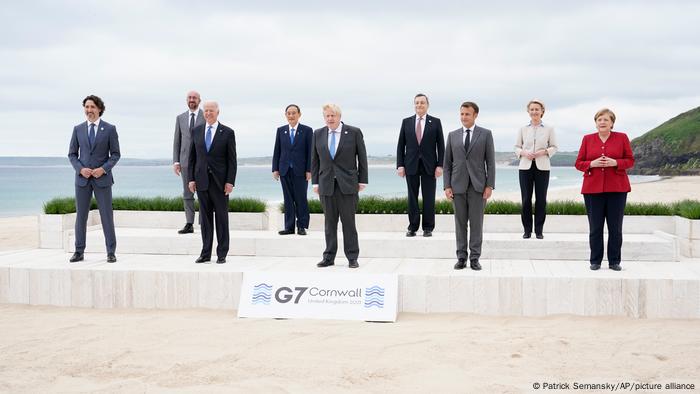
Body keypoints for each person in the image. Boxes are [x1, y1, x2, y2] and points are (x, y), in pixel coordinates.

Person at [575, 108, 634, 271]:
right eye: (599, 119)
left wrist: (615, 162)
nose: (602, 122)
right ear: (595, 123)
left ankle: (614, 261)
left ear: (612, 123)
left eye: (606, 120)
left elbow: (630, 160)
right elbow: (578, 163)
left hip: (617, 189)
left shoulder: (622, 138)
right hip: (592, 190)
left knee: (615, 228)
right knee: (595, 227)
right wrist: (591, 164)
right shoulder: (587, 139)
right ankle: (595, 261)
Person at [311, 104, 368, 269]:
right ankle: (328, 257)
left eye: (333, 116)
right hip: (326, 184)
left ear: (339, 116)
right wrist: (315, 182)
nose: (330, 119)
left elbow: (362, 158)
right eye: (327, 116)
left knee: (348, 222)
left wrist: (362, 180)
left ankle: (352, 257)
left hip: (348, 184)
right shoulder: (318, 134)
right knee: (329, 223)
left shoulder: (354, 132)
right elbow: (314, 161)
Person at [67, 95, 121, 263]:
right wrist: (80, 169)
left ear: (99, 109)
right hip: (82, 180)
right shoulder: (77, 129)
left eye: (92, 107)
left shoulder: (110, 129)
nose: (89, 110)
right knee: (81, 216)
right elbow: (72, 154)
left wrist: (103, 169)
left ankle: (111, 252)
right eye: (86, 107)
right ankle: (79, 251)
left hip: (102, 180)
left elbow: (116, 155)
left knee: (106, 216)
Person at [443, 101, 495, 271]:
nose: (463, 117)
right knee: (459, 224)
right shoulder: (452, 135)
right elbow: (447, 164)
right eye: (462, 114)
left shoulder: (486, 134)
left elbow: (491, 163)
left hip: (478, 186)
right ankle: (461, 257)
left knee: (476, 224)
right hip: (457, 186)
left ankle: (474, 258)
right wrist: (446, 185)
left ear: (475, 115)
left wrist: (490, 186)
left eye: (467, 114)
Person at [187, 101, 237, 264]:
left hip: (220, 183)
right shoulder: (196, 131)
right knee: (205, 220)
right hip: (201, 181)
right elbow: (192, 158)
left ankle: (222, 253)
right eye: (206, 110)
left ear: (218, 112)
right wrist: (191, 179)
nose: (208, 113)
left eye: (211, 110)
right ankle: (205, 253)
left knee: (222, 219)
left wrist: (230, 182)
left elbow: (232, 160)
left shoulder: (228, 132)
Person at [396, 93, 445, 237]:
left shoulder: (435, 122)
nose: (419, 105)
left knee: (429, 197)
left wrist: (440, 165)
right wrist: (400, 165)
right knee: (412, 197)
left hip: (430, 166)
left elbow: (441, 146)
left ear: (427, 105)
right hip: (410, 165)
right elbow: (401, 145)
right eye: (417, 103)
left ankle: (428, 227)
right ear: (414, 105)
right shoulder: (406, 122)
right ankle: (412, 227)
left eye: (422, 102)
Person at [514, 99, 558, 239]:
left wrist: (544, 152)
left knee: (541, 199)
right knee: (526, 199)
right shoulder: (522, 128)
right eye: (532, 109)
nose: (534, 112)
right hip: (525, 167)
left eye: (537, 109)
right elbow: (516, 147)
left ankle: (539, 230)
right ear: (528, 111)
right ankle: (527, 230)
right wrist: (523, 153)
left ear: (542, 111)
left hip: (542, 167)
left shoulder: (549, 128)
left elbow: (554, 147)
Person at [272, 104, 313, 236]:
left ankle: (302, 226)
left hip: (300, 170)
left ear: (299, 114)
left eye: (294, 113)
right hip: (284, 170)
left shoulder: (307, 130)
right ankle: (289, 227)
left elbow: (310, 152)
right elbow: (277, 150)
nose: (291, 115)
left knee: (301, 198)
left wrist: (309, 170)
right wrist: (275, 169)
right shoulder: (280, 130)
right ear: (285, 115)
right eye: (288, 113)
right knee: (288, 199)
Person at [172, 90, 205, 234]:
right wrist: (176, 161)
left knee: (204, 193)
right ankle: (189, 223)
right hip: (185, 162)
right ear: (187, 100)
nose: (192, 100)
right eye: (190, 98)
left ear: (199, 100)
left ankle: (204, 222)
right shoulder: (180, 118)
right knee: (187, 194)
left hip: (202, 161)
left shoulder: (206, 115)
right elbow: (177, 141)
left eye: (195, 98)